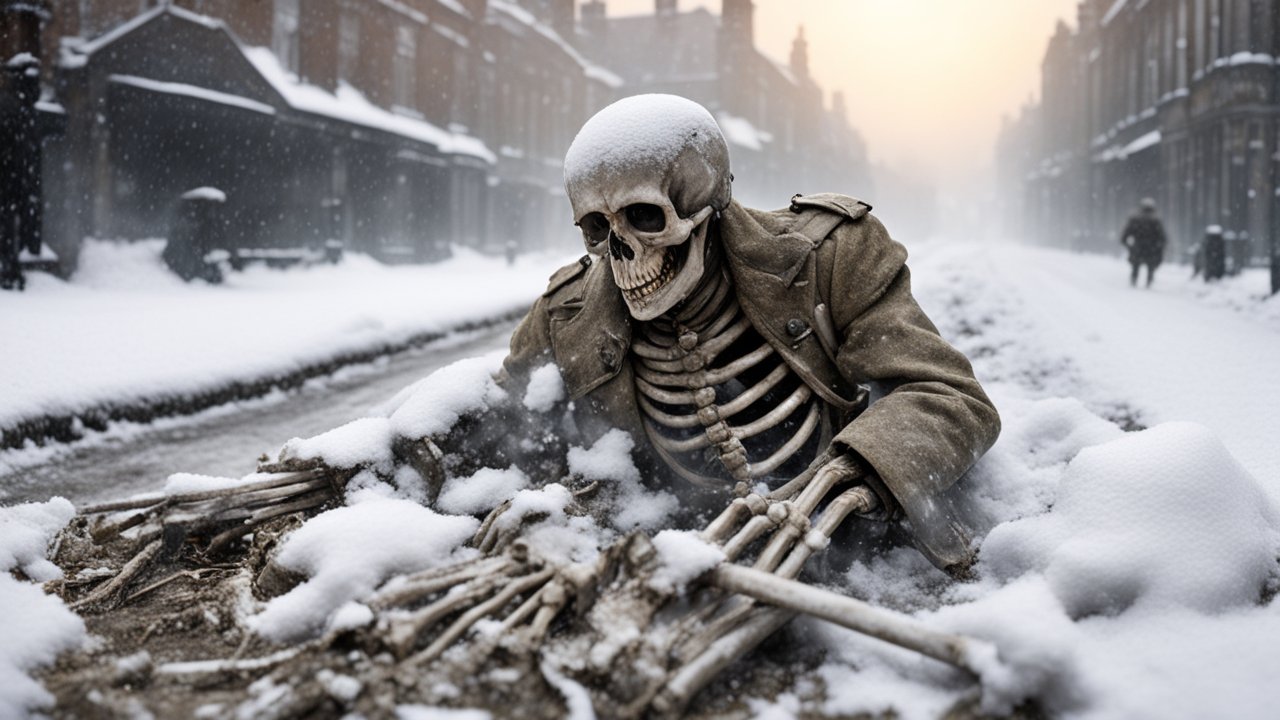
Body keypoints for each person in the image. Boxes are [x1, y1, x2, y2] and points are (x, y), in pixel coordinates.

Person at [1119, 198, 1167, 288]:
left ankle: (1134, 281)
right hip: (1151, 249)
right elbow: (1162, 237)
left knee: (1136, 266)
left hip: (1138, 248)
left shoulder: (1136, 219)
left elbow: (1125, 235)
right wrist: (1159, 247)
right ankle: (1148, 282)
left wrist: (1128, 245)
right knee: (1150, 267)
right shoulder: (1155, 221)